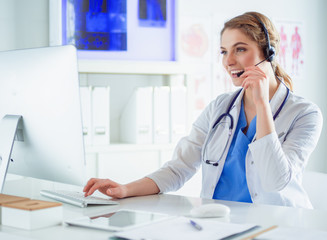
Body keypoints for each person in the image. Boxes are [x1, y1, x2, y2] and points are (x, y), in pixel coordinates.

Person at [83, 12, 323, 209]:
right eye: (223, 51)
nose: (228, 61)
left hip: (279, 227)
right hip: (221, 223)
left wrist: (262, 104)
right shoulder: (220, 108)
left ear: (268, 53)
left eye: (239, 49)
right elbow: (179, 167)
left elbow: (275, 181)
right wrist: (125, 189)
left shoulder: (305, 114)